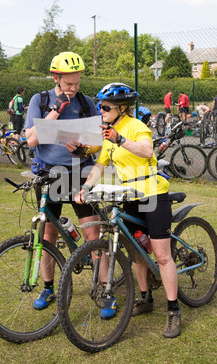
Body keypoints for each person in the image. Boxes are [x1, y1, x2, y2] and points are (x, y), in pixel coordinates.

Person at [75, 83, 181, 339]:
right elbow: (100, 166)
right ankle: (146, 298)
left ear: (122, 108)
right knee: (136, 253)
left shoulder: (135, 127)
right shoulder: (108, 134)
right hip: (129, 196)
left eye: (106, 107)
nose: (101, 111)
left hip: (153, 194)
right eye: (100, 107)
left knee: (162, 256)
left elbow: (146, 151)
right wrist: (85, 188)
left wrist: (120, 139)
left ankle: (173, 310)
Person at [25, 52, 101, 310]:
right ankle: (48, 289)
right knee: (48, 234)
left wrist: (84, 149)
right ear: (55, 78)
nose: (73, 88)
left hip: (80, 172)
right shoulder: (41, 100)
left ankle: (102, 287)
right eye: (69, 84)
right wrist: (56, 110)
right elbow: (32, 140)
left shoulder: (86, 102)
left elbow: (97, 143)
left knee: (93, 230)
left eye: (77, 83)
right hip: (49, 174)